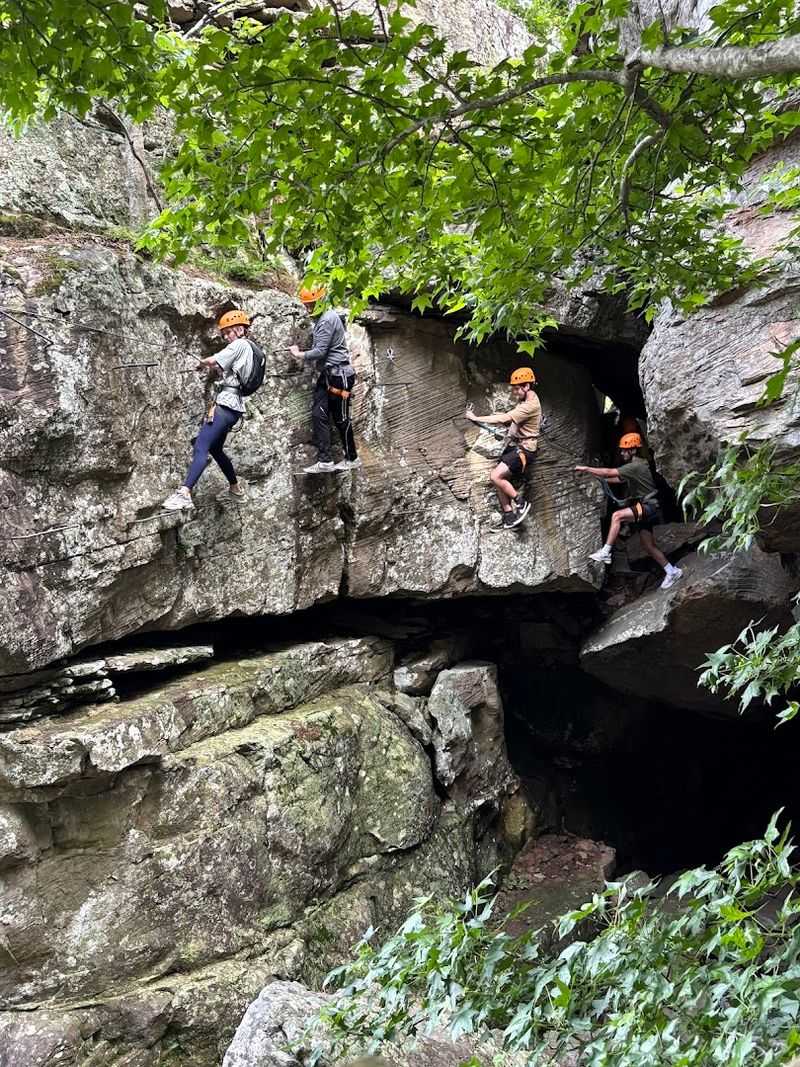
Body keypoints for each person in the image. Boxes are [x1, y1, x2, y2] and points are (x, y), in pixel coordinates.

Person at [162, 308, 255, 511]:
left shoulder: (240, 343)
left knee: (201, 446)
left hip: (226, 405)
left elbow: (214, 360)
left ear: (240, 329)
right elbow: (225, 368)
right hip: (234, 407)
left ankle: (184, 493)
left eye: (229, 332)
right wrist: (211, 366)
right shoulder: (248, 349)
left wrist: (204, 362)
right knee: (215, 448)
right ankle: (235, 488)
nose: (227, 336)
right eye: (225, 334)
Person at [575, 432, 683, 590]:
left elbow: (610, 473)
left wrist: (586, 469)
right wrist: (597, 478)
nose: (622, 453)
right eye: (622, 450)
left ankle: (606, 551)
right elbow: (617, 479)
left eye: (626, 450)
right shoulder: (638, 464)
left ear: (633, 451)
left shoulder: (635, 466)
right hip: (649, 507)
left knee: (617, 516)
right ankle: (672, 571)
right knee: (648, 545)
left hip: (648, 506)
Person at [289, 286, 360, 474]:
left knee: (341, 419)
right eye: (307, 305)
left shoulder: (327, 319)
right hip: (328, 376)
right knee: (318, 414)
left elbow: (320, 351)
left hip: (339, 376)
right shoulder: (322, 318)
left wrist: (299, 354)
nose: (308, 309)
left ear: (319, 301)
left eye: (311, 305)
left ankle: (352, 458)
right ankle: (325, 460)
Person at [465, 366, 540, 529]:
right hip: (519, 446)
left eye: (517, 389)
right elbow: (513, 422)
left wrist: (476, 417)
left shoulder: (530, 405)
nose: (515, 392)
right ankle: (508, 515)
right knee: (499, 478)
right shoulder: (527, 399)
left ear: (527, 386)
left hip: (526, 450)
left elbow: (504, 418)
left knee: (495, 476)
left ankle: (520, 503)